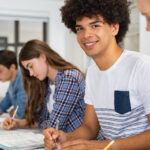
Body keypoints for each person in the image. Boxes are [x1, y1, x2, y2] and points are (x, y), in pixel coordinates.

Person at [43, 0, 150, 149]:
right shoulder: (93, 73)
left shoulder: (142, 66)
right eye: (80, 28)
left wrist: (103, 146)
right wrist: (65, 137)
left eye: (95, 25)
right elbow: (90, 128)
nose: (86, 35)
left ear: (114, 28)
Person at [3, 40, 85, 139]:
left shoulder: (69, 78)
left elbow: (54, 126)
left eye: (31, 66)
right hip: (59, 143)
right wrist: (17, 123)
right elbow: (41, 121)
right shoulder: (46, 83)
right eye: (28, 69)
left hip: (78, 144)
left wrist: (42, 122)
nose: (31, 73)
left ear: (43, 57)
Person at [0, 50, 27, 119]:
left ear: (12, 67)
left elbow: (20, 114)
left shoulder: (23, 81)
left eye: (0, 71)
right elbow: (4, 104)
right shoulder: (13, 82)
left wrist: (14, 111)